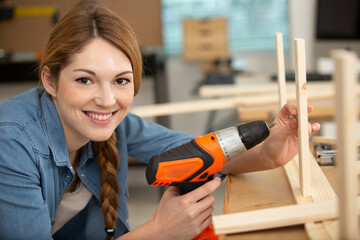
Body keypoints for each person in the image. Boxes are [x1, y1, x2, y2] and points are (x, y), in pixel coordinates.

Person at [0, 1, 320, 240]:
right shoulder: (12, 143)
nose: (107, 99)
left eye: (121, 81)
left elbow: (198, 154)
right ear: (50, 81)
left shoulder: (116, 126)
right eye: (85, 80)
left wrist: (268, 152)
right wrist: (159, 232)